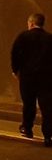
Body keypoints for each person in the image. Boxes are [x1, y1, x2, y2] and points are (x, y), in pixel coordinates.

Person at [10, 13, 52, 146]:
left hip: (27, 77)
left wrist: (15, 70)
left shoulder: (23, 37)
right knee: (47, 107)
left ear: (31, 23)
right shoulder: (49, 38)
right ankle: (48, 135)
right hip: (46, 78)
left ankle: (27, 128)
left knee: (29, 103)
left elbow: (15, 53)